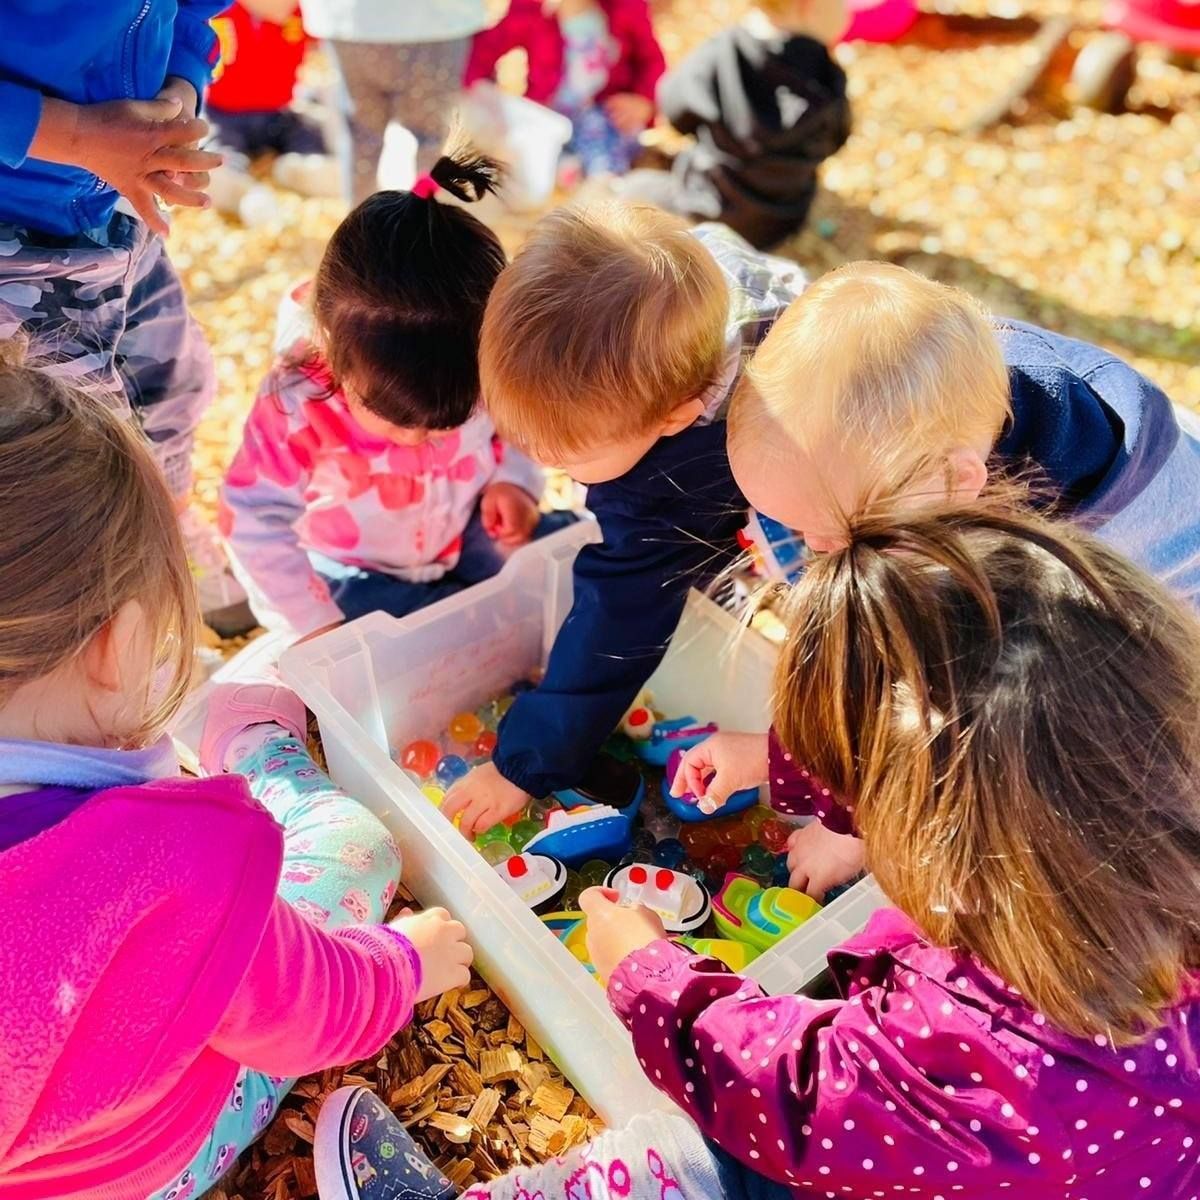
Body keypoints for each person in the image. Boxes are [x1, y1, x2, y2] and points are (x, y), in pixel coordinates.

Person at [317, 501, 1200, 1200]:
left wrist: (648, 972)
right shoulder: (1110, 853)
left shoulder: (979, 1056)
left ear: (950, 848)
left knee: (685, 1159)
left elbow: (782, 1089)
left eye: (860, 798)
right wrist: (774, 764)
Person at [0, 347, 473, 1199]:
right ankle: (261, 755)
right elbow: (309, 1011)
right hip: (147, 1165)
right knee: (356, 845)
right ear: (116, 645)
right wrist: (404, 965)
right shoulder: (177, 863)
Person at [683, 261, 1200, 896]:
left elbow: (936, 719)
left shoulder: (1016, 570)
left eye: (835, 530)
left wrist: (849, 826)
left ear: (954, 483)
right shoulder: (946, 411)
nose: (816, 552)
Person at [442, 203, 805, 838]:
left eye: (569, 455)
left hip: (841, 484)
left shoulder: (673, 473)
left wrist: (521, 766)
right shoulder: (681, 296)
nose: (545, 464)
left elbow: (623, 613)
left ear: (671, 419)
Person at [219, 149, 559, 641]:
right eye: (391, 414)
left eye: (450, 419)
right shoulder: (296, 398)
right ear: (334, 355)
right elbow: (253, 516)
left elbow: (517, 423)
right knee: (414, 634)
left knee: (549, 560)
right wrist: (312, 625)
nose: (417, 438)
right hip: (352, 567)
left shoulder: (483, 352)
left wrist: (514, 482)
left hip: (465, 529)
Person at [0, 1, 253, 636]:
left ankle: (165, 515)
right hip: (18, 231)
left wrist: (182, 90)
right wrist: (79, 136)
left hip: (116, 202)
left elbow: (195, 12)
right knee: (75, 452)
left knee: (172, 380)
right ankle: (94, 618)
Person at [618, 0, 852, 248]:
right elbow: (838, 137)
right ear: (808, 6)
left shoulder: (721, 53)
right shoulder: (827, 78)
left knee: (633, 189)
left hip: (707, 210)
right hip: (782, 220)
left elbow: (675, 110)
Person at [301, 0, 494, 203]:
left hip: (349, 20)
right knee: (431, 138)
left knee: (362, 139)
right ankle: (425, 223)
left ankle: (362, 226)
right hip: (436, 21)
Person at [464, 0, 666, 179]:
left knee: (599, 141)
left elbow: (652, 61)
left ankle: (602, 181)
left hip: (604, 114)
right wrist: (476, 87)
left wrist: (645, 102)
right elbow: (486, 47)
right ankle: (565, 169)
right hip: (552, 114)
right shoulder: (533, 8)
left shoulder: (626, 7)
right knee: (530, 152)